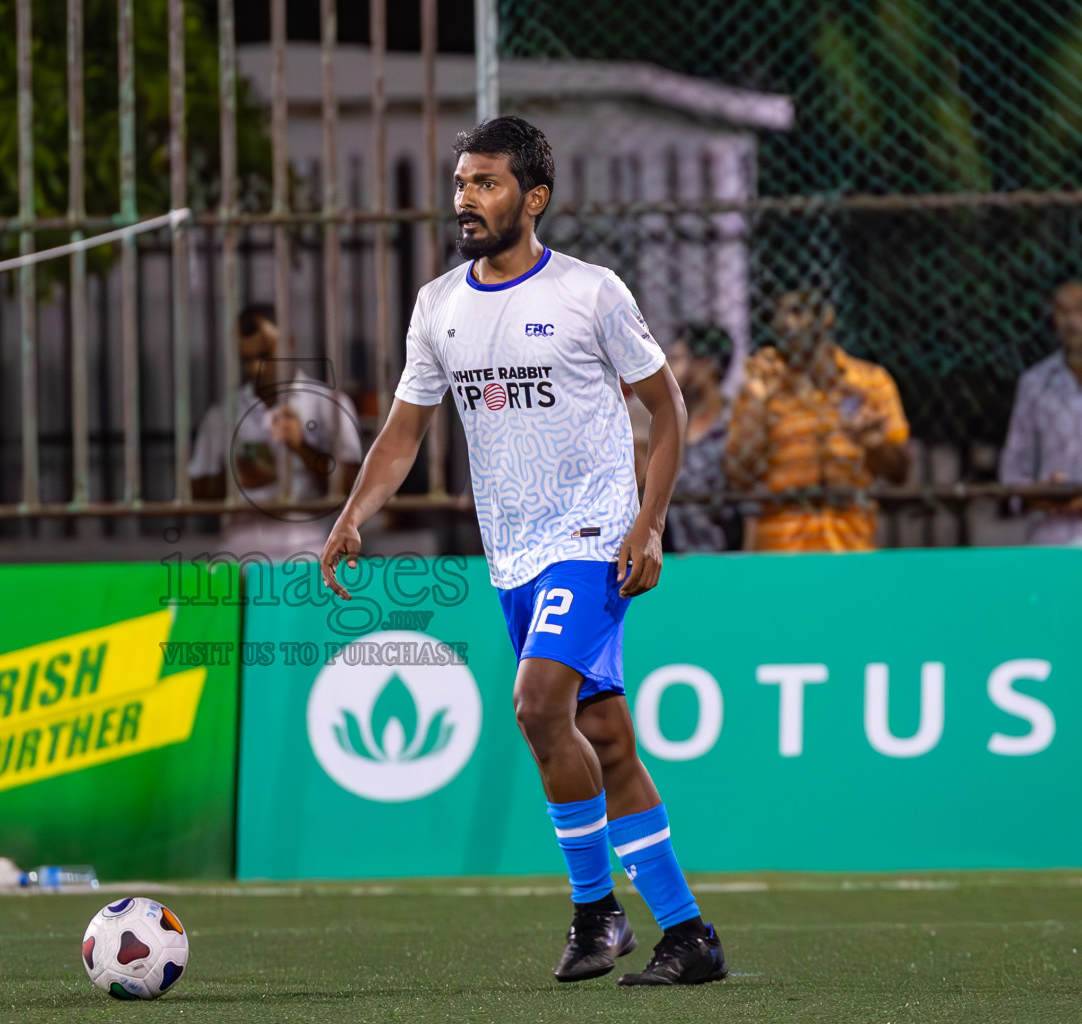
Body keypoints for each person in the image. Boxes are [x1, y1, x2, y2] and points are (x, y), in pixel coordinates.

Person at [320, 116, 726, 987]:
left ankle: (595, 914)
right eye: (462, 182)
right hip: (513, 555)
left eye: (488, 183)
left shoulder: (591, 293)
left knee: (539, 706)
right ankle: (688, 936)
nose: (466, 198)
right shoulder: (438, 307)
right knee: (603, 738)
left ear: (532, 199)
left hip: (592, 538)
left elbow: (668, 410)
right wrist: (353, 513)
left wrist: (647, 525)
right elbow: (403, 432)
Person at [726, 289, 910, 552]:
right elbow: (738, 476)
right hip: (783, 548)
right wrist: (758, 405)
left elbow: (899, 473)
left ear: (826, 316)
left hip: (850, 543)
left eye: (797, 311)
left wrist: (874, 444)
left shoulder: (870, 382)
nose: (786, 323)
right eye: (777, 314)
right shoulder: (764, 383)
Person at [189, 304, 362, 560]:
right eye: (246, 360)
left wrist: (301, 447)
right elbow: (197, 495)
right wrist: (235, 478)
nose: (254, 369)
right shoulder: (223, 415)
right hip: (240, 547)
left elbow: (354, 487)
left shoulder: (329, 404)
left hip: (312, 544)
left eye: (264, 356)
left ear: (289, 344)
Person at [999, 280, 1082, 545]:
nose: (1072, 320)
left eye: (1080, 309)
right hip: (1052, 539)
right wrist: (1041, 494)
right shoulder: (1034, 384)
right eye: (1062, 310)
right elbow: (1013, 472)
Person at [664, 324, 740, 552]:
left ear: (704, 364)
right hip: (671, 559)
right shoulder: (667, 425)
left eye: (676, 359)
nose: (667, 368)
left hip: (727, 558)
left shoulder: (735, 424)